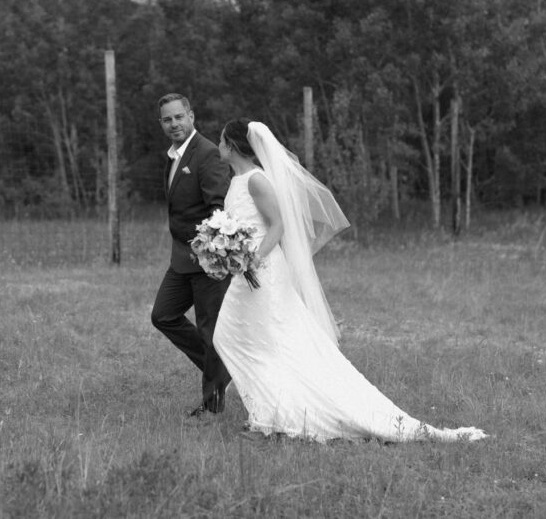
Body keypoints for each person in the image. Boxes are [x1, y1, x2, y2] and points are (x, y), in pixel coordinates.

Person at [211, 118, 487, 442]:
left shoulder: (257, 180)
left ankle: (270, 420)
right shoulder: (236, 181)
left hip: (263, 272)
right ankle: (268, 413)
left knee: (255, 341)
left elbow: (278, 225)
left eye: (220, 141)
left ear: (232, 145)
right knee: (234, 338)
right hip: (246, 273)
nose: (217, 146)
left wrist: (253, 258)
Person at [150, 93, 233, 419]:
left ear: (191, 116)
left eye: (178, 117)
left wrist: (209, 250)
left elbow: (219, 207)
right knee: (163, 315)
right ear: (162, 124)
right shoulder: (172, 156)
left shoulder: (207, 153)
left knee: (210, 331)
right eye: (167, 119)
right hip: (181, 259)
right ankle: (223, 369)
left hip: (208, 260)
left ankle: (212, 408)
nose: (174, 124)